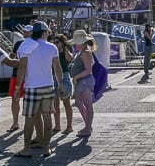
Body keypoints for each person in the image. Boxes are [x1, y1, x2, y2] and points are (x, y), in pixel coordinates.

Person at [14, 21, 63, 158]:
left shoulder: (26, 45)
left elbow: (22, 68)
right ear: (44, 32)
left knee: (29, 119)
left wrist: (18, 87)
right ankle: (46, 148)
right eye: (47, 32)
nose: (48, 34)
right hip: (48, 86)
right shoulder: (52, 47)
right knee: (47, 118)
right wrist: (60, 84)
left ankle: (26, 149)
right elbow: (57, 68)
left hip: (31, 87)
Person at [69, 30, 96, 138]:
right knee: (79, 103)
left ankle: (88, 127)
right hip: (82, 80)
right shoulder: (83, 51)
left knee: (87, 104)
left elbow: (88, 70)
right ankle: (87, 125)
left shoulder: (85, 52)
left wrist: (76, 76)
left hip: (85, 80)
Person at [52, 34, 74, 133]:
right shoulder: (53, 51)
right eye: (54, 42)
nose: (55, 44)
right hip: (53, 76)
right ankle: (57, 125)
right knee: (55, 104)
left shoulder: (65, 51)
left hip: (64, 76)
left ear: (62, 43)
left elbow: (70, 58)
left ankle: (69, 126)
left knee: (66, 103)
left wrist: (65, 48)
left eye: (57, 42)